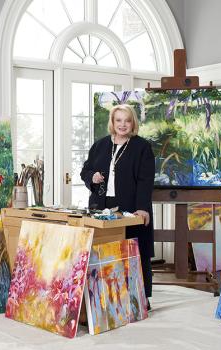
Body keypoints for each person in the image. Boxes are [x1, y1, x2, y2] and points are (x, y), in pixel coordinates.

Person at [80, 104, 155, 307]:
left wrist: (142, 208)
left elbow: (145, 180)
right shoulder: (100, 145)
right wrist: (91, 177)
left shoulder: (142, 147)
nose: (123, 125)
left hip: (131, 207)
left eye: (127, 120)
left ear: (133, 123)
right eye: (118, 120)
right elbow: (85, 171)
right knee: (104, 250)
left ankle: (142, 298)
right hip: (101, 206)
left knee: (137, 251)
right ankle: (106, 298)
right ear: (112, 123)